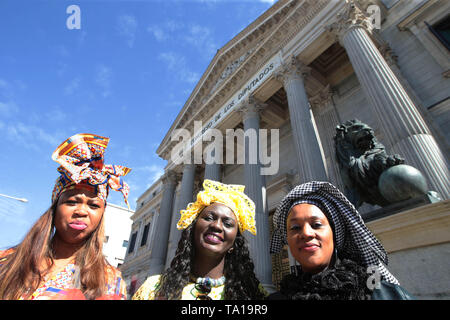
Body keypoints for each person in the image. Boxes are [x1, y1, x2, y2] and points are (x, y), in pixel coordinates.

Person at [0, 133, 130, 300]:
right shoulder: (7, 261)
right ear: (56, 207)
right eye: (72, 202)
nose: (81, 211)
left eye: (93, 205)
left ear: (101, 215)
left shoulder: (110, 280)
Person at [268, 181, 414, 300]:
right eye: (295, 227)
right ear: (287, 239)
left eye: (316, 225)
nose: (306, 233)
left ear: (335, 233)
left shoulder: (387, 295)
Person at [132, 179, 267, 300]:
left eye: (228, 223)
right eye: (208, 218)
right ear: (193, 229)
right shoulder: (153, 289)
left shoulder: (253, 293)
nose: (216, 225)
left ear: (234, 243)